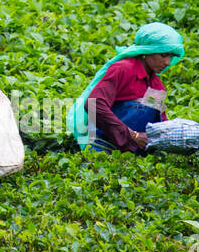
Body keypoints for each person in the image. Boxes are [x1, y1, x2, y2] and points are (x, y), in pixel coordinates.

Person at [68, 22, 185, 154]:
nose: (167, 63)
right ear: (147, 51)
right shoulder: (122, 69)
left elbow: (159, 122)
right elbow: (94, 104)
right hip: (102, 145)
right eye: (163, 55)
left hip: (132, 153)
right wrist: (132, 135)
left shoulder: (156, 85)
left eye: (171, 56)